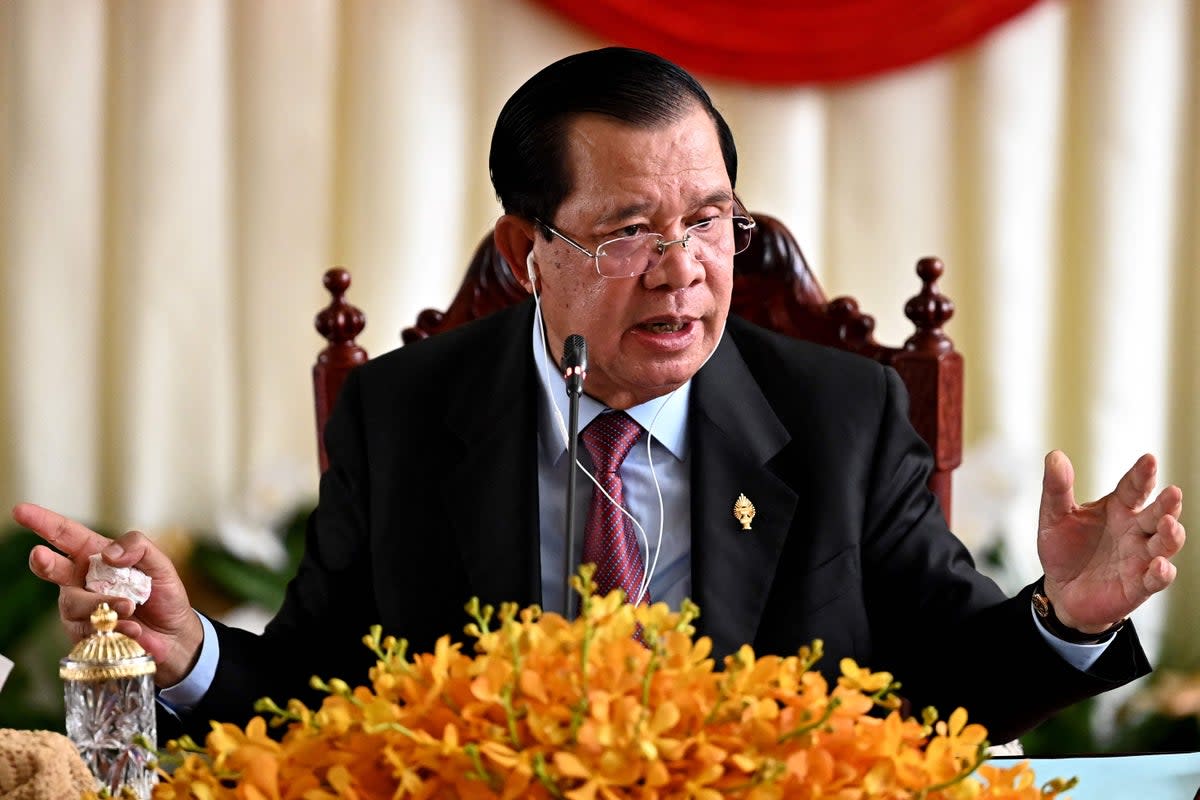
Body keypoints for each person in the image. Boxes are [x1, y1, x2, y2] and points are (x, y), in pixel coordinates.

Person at [13, 47, 1185, 747]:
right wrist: (189, 655)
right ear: (530, 251)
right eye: (630, 229)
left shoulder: (843, 415)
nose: (685, 269)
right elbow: (327, 691)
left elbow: (940, 686)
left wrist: (1067, 615)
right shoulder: (407, 416)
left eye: (711, 220)